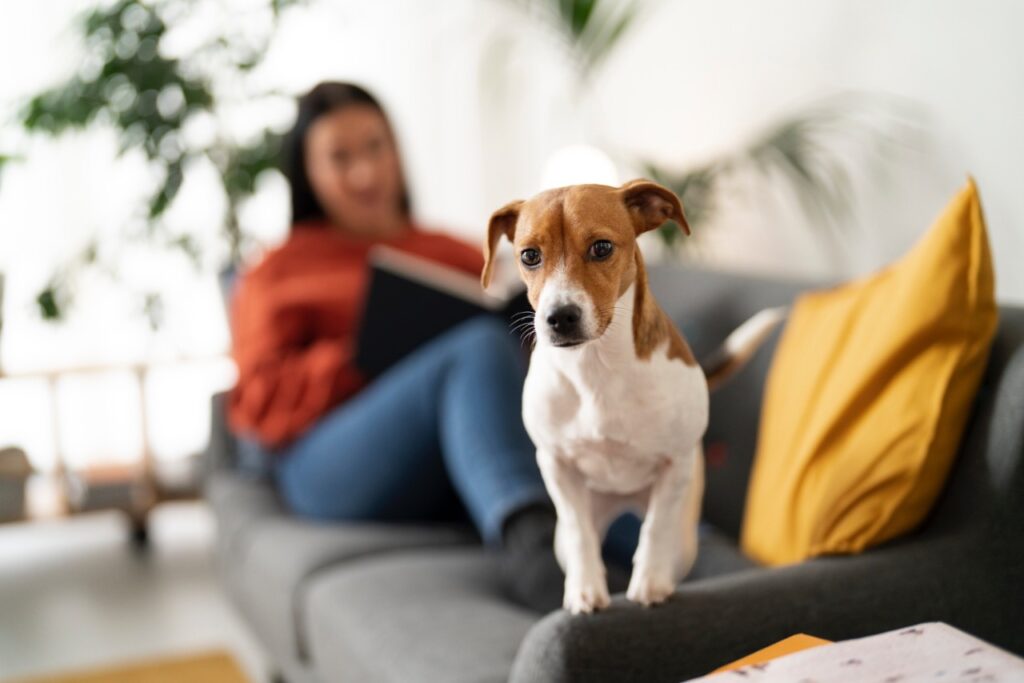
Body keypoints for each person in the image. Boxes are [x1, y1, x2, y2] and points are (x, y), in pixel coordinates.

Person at [227, 81, 635, 612]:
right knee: (473, 348)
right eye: (340, 158)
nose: (365, 173)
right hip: (327, 463)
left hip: (452, 452)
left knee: (508, 359)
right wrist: (362, 354)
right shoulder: (276, 271)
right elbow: (257, 404)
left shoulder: (452, 252)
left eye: (375, 147)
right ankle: (533, 551)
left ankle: (692, 553)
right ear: (309, 174)